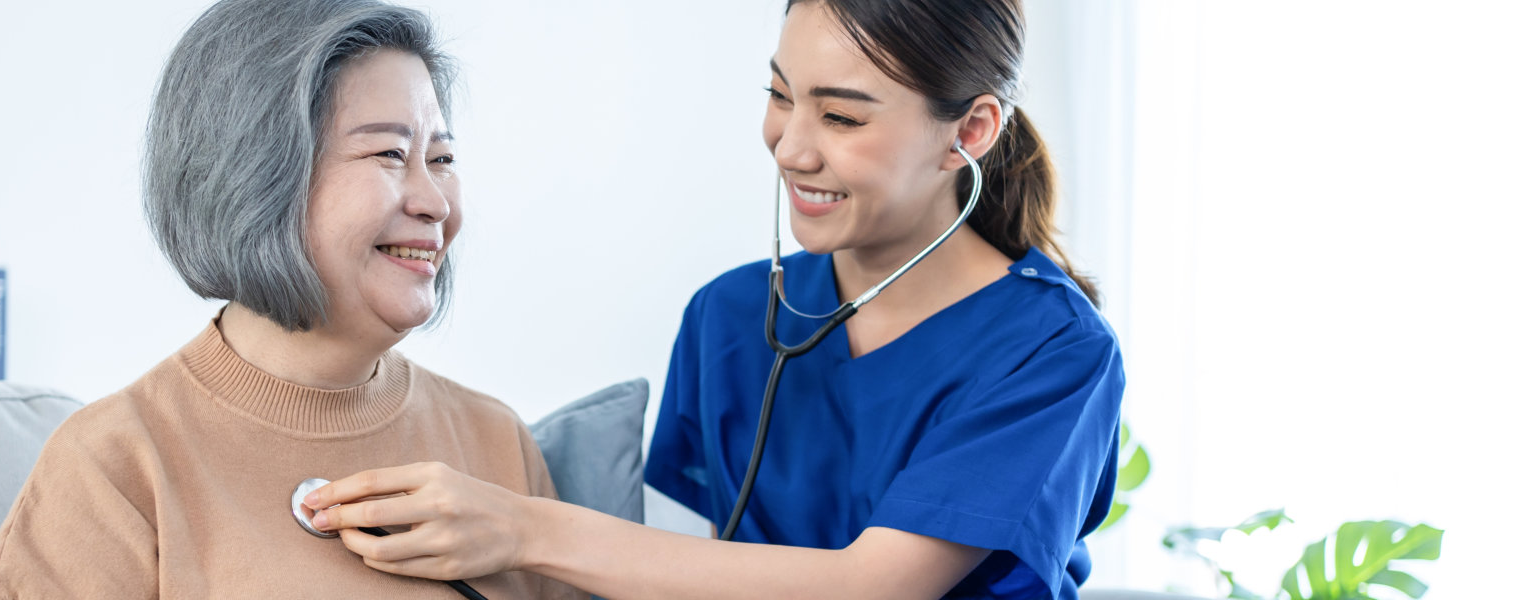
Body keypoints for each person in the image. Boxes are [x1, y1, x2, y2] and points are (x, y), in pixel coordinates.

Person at [301, 0, 1125, 598]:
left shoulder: (1054, 352)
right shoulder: (730, 318)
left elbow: (878, 586)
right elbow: (678, 563)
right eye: (780, 95)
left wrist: (520, 527)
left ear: (970, 132)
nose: (791, 147)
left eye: (840, 116)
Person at [0, 0, 582, 597]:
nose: (436, 203)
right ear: (256, 176)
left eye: (441, 159)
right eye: (390, 154)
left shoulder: (497, 441)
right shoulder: (112, 468)